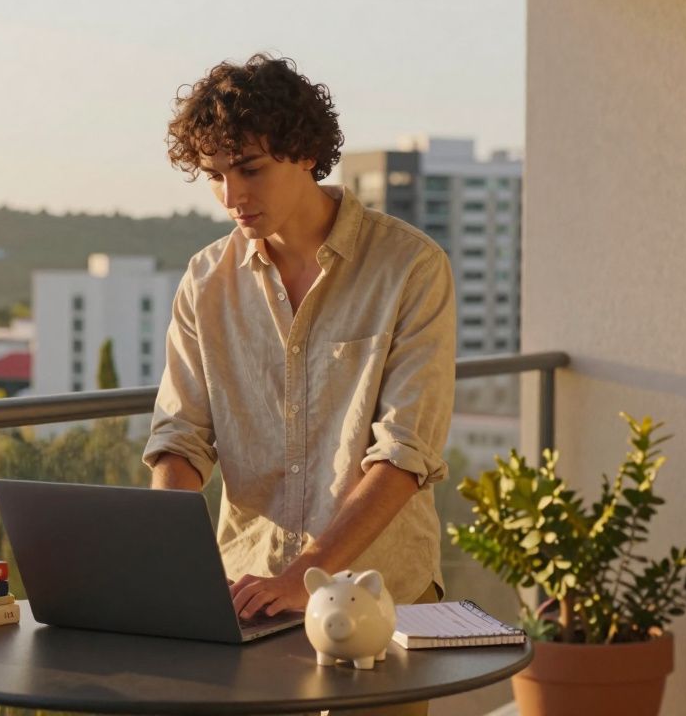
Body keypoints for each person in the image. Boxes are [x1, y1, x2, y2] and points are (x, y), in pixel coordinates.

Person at [142, 53, 455, 716]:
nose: (231, 196)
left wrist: (299, 577)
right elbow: (180, 438)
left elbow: (405, 454)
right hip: (245, 604)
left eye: (249, 168)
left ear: (307, 153)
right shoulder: (205, 283)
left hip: (377, 605)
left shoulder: (411, 268)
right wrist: (167, 566)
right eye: (216, 175)